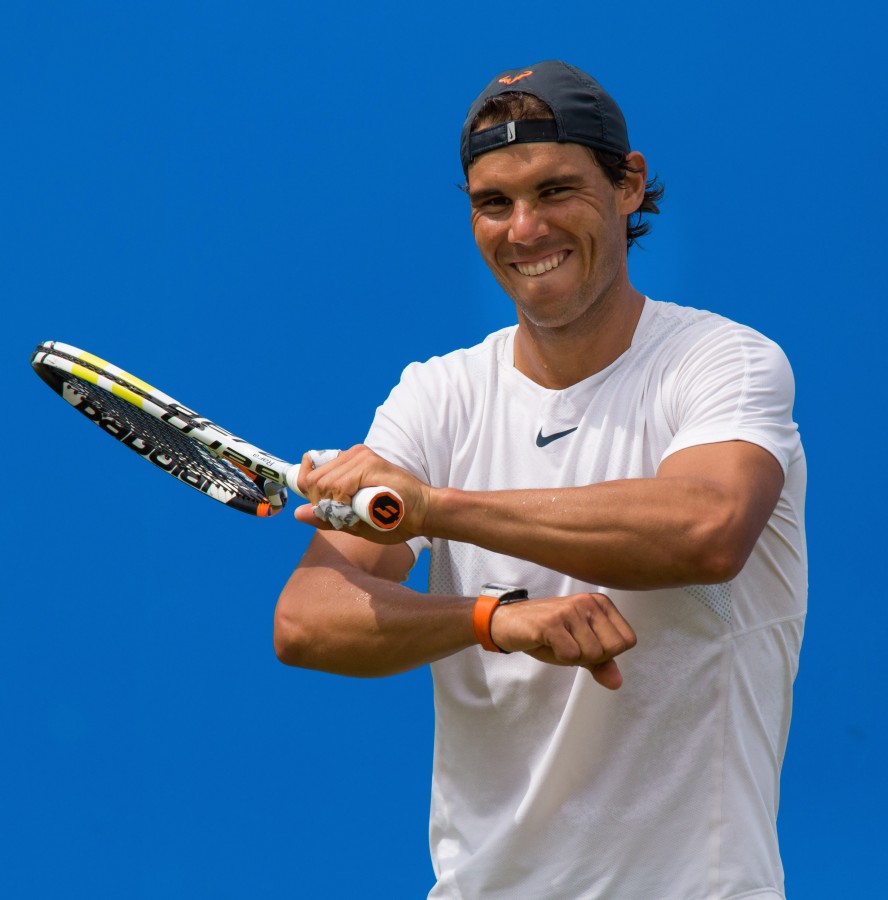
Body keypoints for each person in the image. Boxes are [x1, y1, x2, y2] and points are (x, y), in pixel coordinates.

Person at [274, 60, 807, 899]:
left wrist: (436, 508)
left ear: (629, 185)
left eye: (556, 190)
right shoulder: (437, 394)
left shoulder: (725, 363)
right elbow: (307, 621)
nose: (524, 230)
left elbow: (708, 528)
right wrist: (492, 620)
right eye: (494, 203)